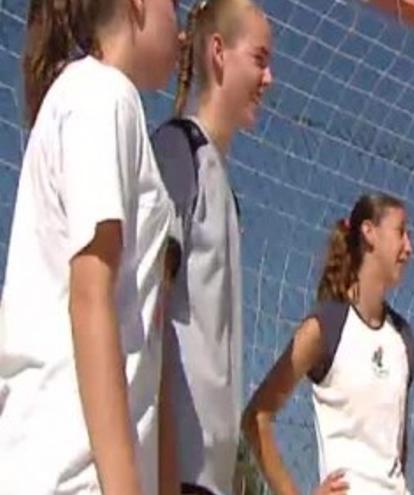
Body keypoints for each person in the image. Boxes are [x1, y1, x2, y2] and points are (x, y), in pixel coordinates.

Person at [0, 0, 179, 491]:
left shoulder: (92, 99)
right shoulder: (102, 94)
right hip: (71, 475)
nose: (180, 22)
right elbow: (89, 296)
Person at [150, 0, 272, 492]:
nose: (270, 79)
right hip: (171, 471)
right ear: (219, 53)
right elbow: (147, 315)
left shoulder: (224, 187)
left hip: (211, 478)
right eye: (260, 60)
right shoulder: (177, 152)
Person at [242, 193, 414, 495]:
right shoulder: (326, 326)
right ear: (369, 233)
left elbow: (396, 452)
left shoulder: (404, 341)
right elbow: (257, 417)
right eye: (401, 232)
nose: (409, 248)